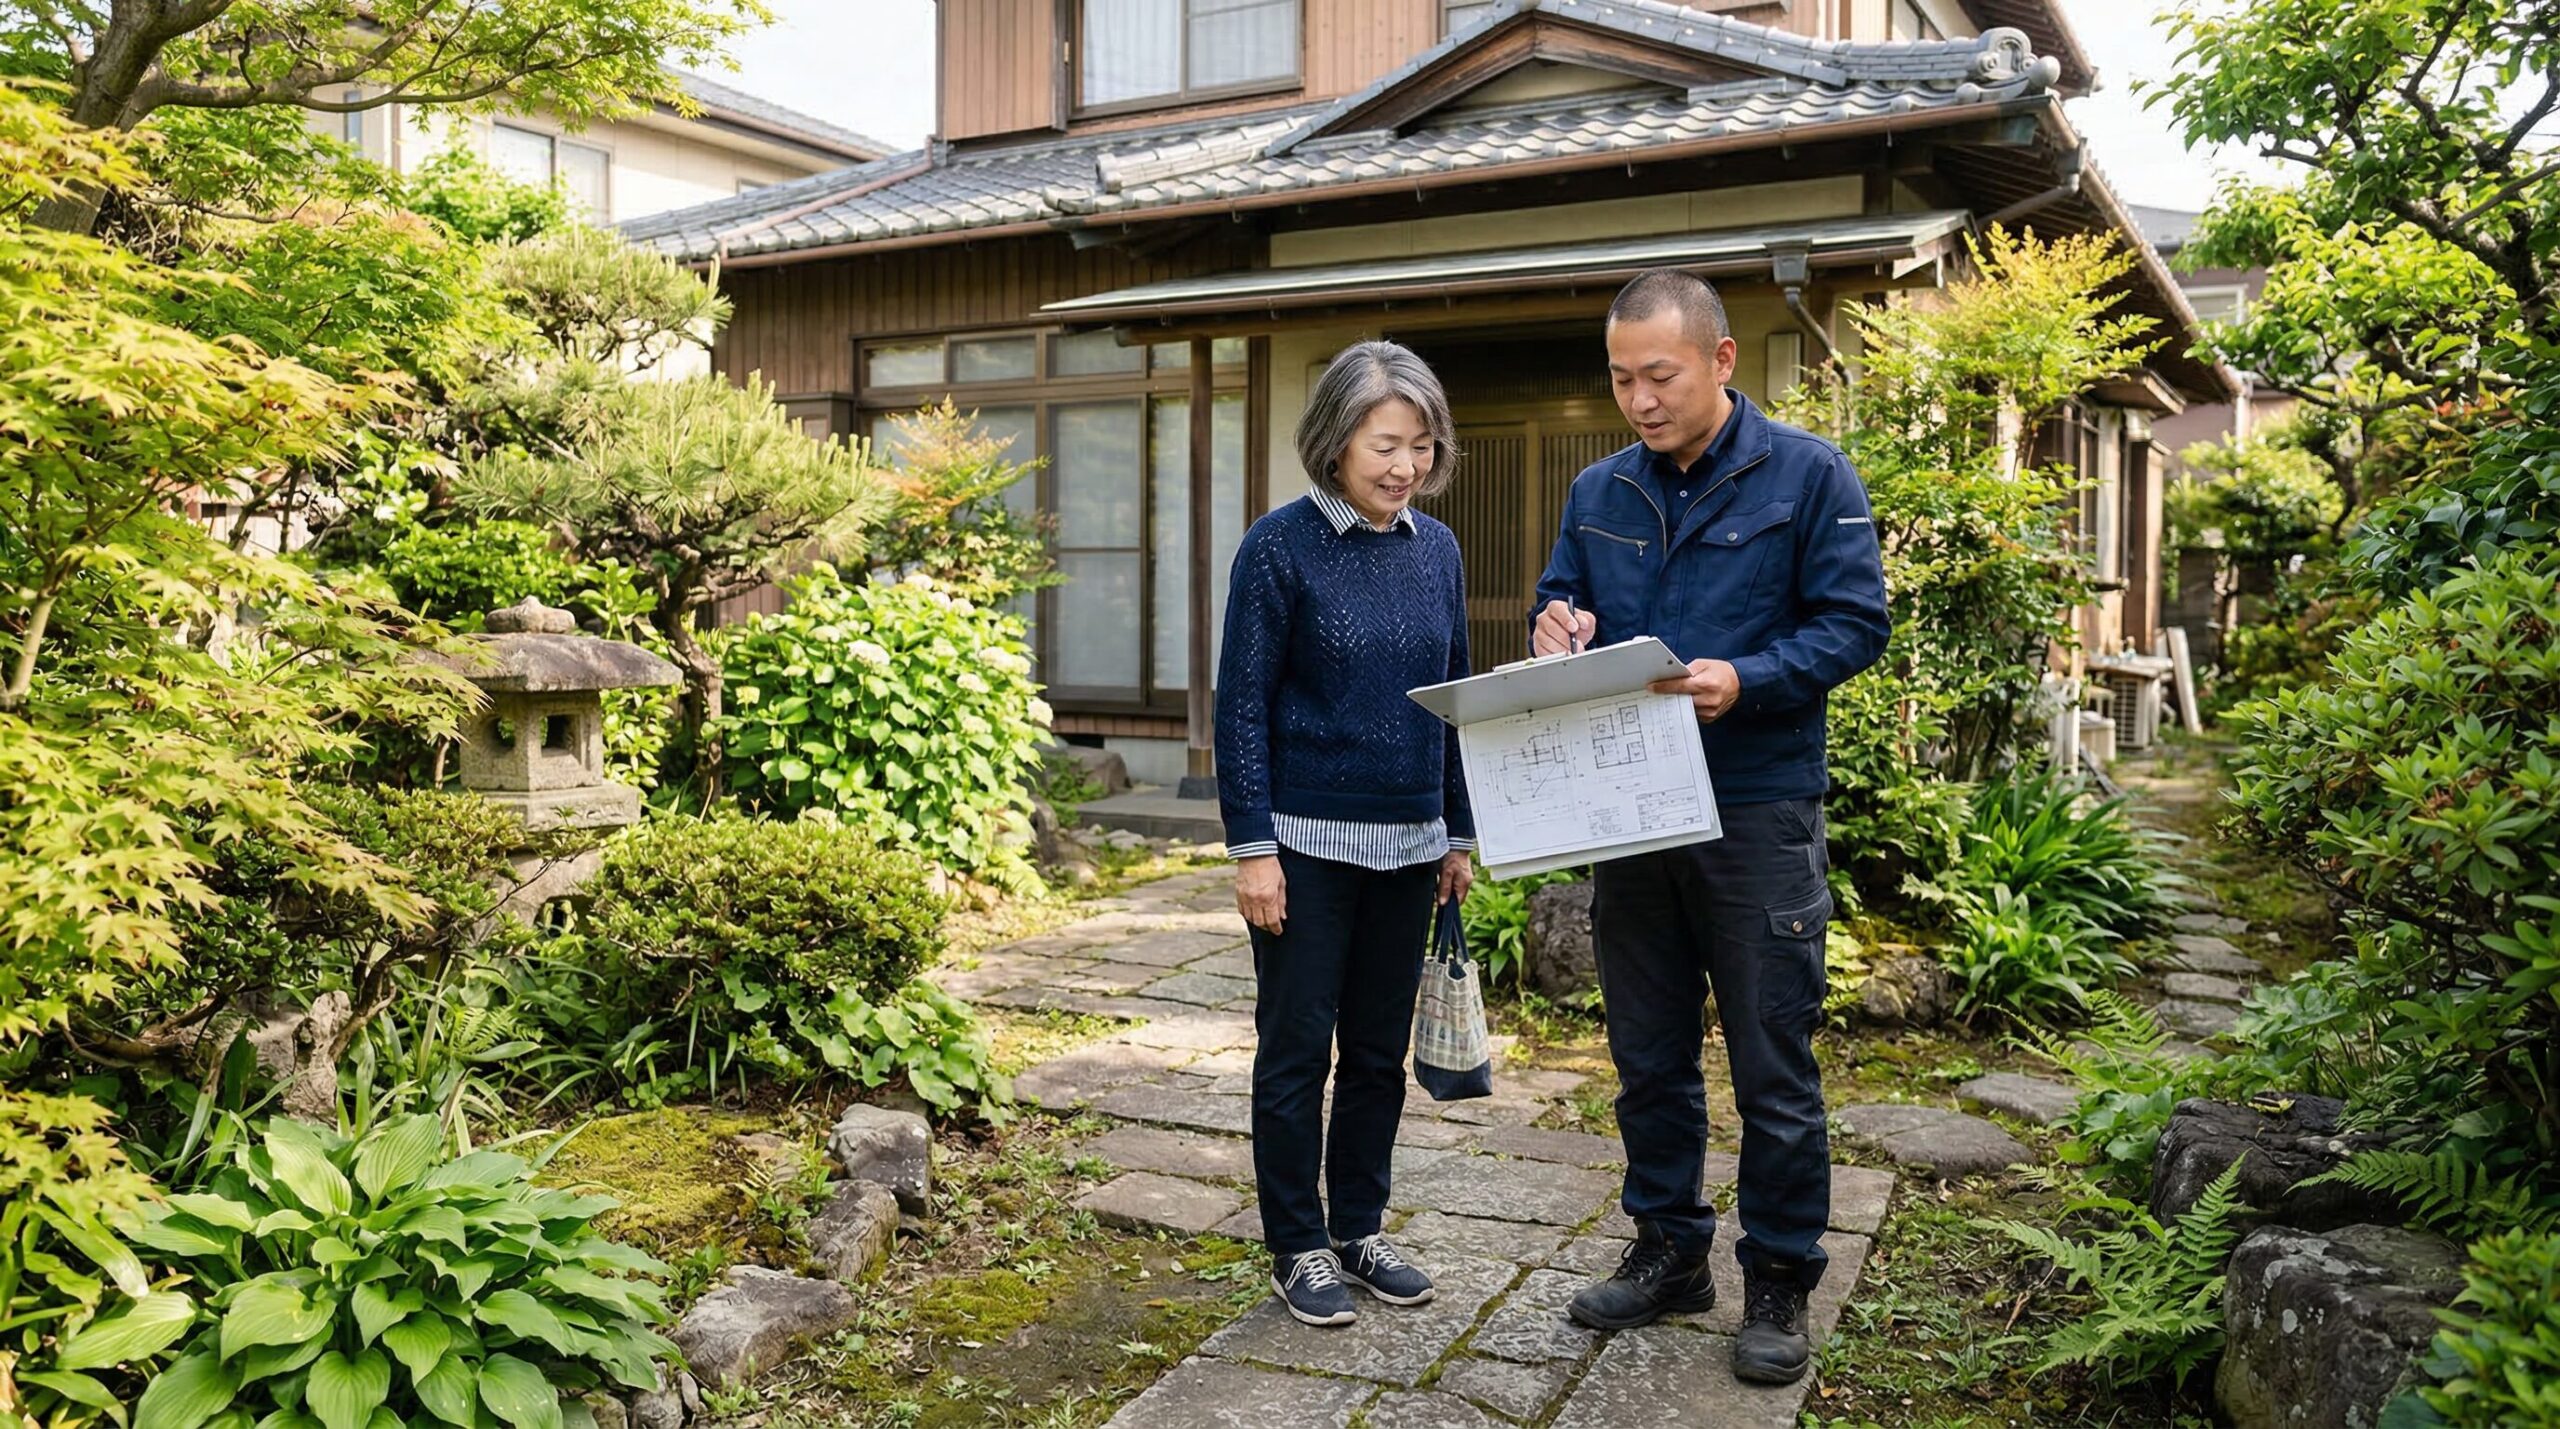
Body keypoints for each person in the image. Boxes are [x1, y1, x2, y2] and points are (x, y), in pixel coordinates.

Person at [1531, 270, 1890, 1383]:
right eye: (1621, 378)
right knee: (1646, 1055)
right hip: (1628, 806)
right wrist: (1556, 624)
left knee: (1772, 1059)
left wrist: (1755, 675)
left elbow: (1855, 622)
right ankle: (1668, 1254)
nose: (1639, 398)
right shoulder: (1598, 489)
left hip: (1756, 806)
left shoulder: (1806, 475)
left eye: (1660, 375)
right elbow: (1560, 592)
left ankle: (1778, 1277)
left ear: (1721, 361)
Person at [1214, 340, 1476, 1328]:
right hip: (1304, 845)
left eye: (1418, 444)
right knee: (1295, 1049)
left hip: (1410, 846)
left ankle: (1358, 1226)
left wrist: (1456, 830)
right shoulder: (1278, 547)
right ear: (1333, 441)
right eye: (1384, 444)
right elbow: (1241, 704)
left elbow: (1451, 693)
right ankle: (1297, 1244)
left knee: (1375, 1052)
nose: (1403, 464)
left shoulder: (1437, 549)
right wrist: (1250, 846)